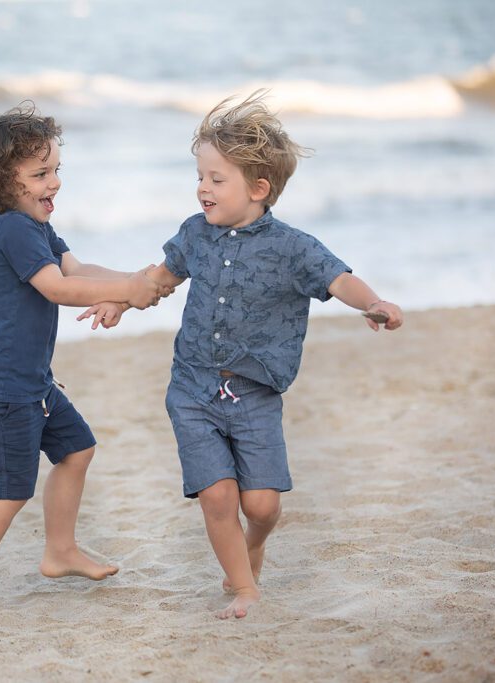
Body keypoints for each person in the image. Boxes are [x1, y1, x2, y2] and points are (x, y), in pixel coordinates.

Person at [79, 92, 403, 619]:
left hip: (255, 392)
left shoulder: (295, 248)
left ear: (258, 189)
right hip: (193, 388)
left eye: (216, 179)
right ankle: (244, 586)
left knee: (262, 505)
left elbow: (339, 279)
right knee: (218, 498)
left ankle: (255, 542)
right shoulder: (194, 234)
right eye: (200, 177)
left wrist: (373, 303)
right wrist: (117, 299)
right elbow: (160, 279)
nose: (203, 188)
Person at [0, 102, 168, 617]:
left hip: (30, 383)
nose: (54, 182)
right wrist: (128, 289)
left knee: (77, 449)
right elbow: (58, 289)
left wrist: (134, 284)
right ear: (1, 181)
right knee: (10, 489)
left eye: (56, 169)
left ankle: (60, 550)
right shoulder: (9, 230)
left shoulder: (33, 223)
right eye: (40, 173)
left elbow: (77, 267)